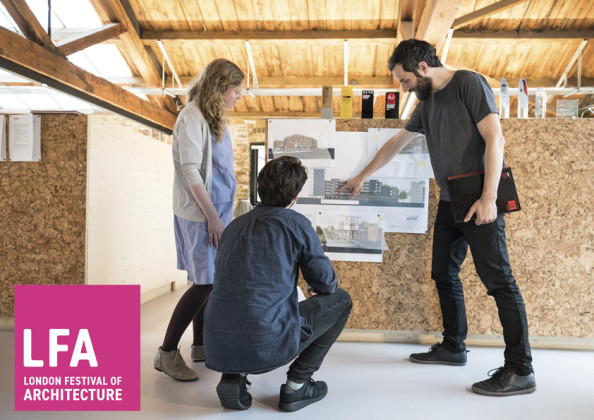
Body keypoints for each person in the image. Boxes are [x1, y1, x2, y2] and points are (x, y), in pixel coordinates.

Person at [339, 39, 535, 396]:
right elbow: (396, 143)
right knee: (443, 272)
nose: (404, 87)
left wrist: (489, 198)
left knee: (500, 282)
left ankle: (521, 370)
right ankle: (453, 347)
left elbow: (496, 140)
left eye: (405, 80)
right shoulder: (426, 102)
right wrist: (361, 176)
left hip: (479, 197)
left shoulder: (469, 83)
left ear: (423, 68)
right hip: (450, 198)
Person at [204, 156, 352, 411]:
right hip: (268, 342)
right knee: (341, 300)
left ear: (261, 188)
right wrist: (314, 285)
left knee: (245, 307)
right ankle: (297, 385)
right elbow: (326, 283)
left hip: (217, 344)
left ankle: (233, 376)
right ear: (294, 196)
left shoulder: (233, 226)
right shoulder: (296, 224)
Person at [154, 59, 244, 381]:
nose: (239, 97)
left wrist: (221, 215)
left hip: (216, 211)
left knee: (210, 280)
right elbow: (191, 171)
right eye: (236, 90)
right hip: (201, 213)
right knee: (205, 282)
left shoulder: (213, 115)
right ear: (221, 88)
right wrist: (212, 218)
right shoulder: (191, 116)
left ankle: (201, 345)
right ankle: (166, 353)